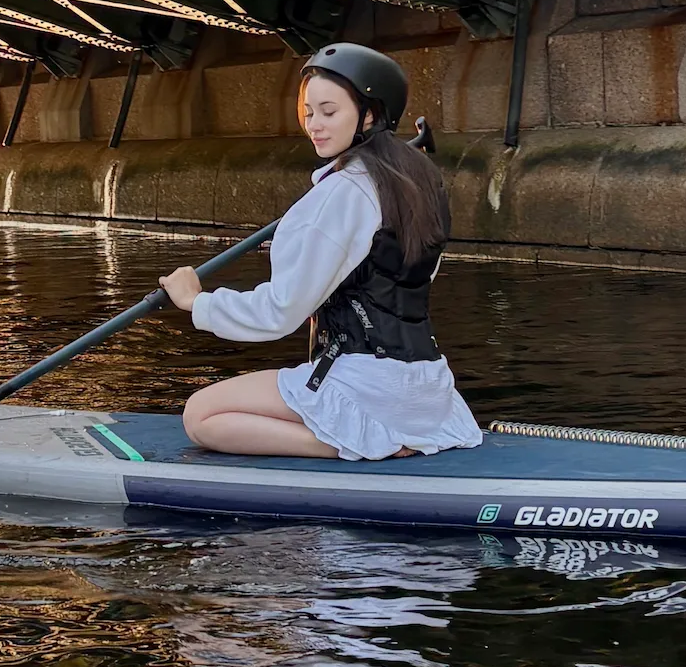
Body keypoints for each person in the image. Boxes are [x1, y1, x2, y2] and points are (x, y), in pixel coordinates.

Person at [158, 42, 482, 460]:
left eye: (329, 112)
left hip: (367, 386)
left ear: (368, 114)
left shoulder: (339, 194)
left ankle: (363, 442)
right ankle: (379, 432)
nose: (315, 125)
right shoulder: (421, 182)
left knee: (200, 414)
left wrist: (197, 302)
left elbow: (280, 312)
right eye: (309, 113)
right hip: (429, 385)